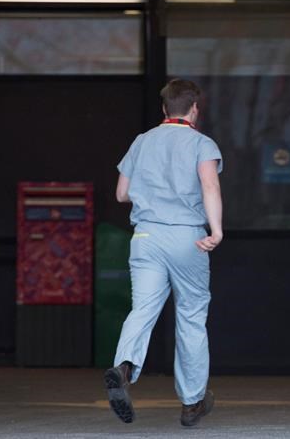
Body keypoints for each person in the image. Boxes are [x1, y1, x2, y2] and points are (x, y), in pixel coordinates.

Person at [104, 78, 224, 428]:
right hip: (187, 237)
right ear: (195, 108)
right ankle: (192, 402)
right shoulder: (202, 144)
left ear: (163, 109)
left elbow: (122, 194)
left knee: (142, 309)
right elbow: (209, 185)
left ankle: (123, 368)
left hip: (145, 236)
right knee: (190, 317)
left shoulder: (141, 142)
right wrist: (215, 230)